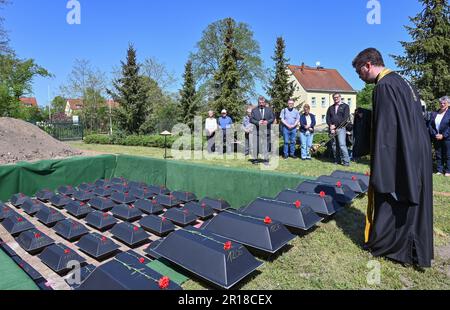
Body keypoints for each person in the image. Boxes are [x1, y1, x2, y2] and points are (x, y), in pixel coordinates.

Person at [352, 47, 433, 267]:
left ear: (368, 64)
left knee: (392, 193)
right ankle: (414, 249)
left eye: (359, 71)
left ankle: (392, 246)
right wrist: (366, 116)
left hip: (400, 151)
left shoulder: (384, 86)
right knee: (413, 198)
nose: (359, 76)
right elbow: (401, 119)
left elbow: (387, 128)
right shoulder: (402, 81)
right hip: (417, 147)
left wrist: (382, 167)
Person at [326, 93, 351, 166]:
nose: (335, 98)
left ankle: (346, 162)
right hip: (332, 129)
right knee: (334, 145)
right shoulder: (330, 107)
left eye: (337, 97)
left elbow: (345, 118)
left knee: (342, 145)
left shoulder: (345, 106)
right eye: (334, 97)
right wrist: (330, 125)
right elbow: (328, 118)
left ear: (340, 97)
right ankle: (337, 160)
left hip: (341, 128)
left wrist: (335, 126)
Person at [250, 96, 275, 165]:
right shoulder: (254, 110)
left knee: (266, 146)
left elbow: (272, 118)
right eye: (260, 102)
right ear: (258, 103)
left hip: (266, 130)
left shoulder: (269, 110)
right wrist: (258, 122)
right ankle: (255, 160)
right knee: (256, 145)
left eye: (262, 102)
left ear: (265, 103)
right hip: (257, 131)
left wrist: (267, 122)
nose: (261, 104)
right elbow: (251, 119)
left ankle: (266, 160)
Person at [429, 96, 450, 176]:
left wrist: (443, 135)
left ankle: (448, 171)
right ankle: (439, 170)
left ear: (448, 104)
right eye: (441, 103)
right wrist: (435, 134)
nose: (442, 104)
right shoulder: (435, 113)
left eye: (444, 103)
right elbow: (431, 125)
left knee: (448, 155)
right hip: (436, 137)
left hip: (447, 138)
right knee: (438, 154)